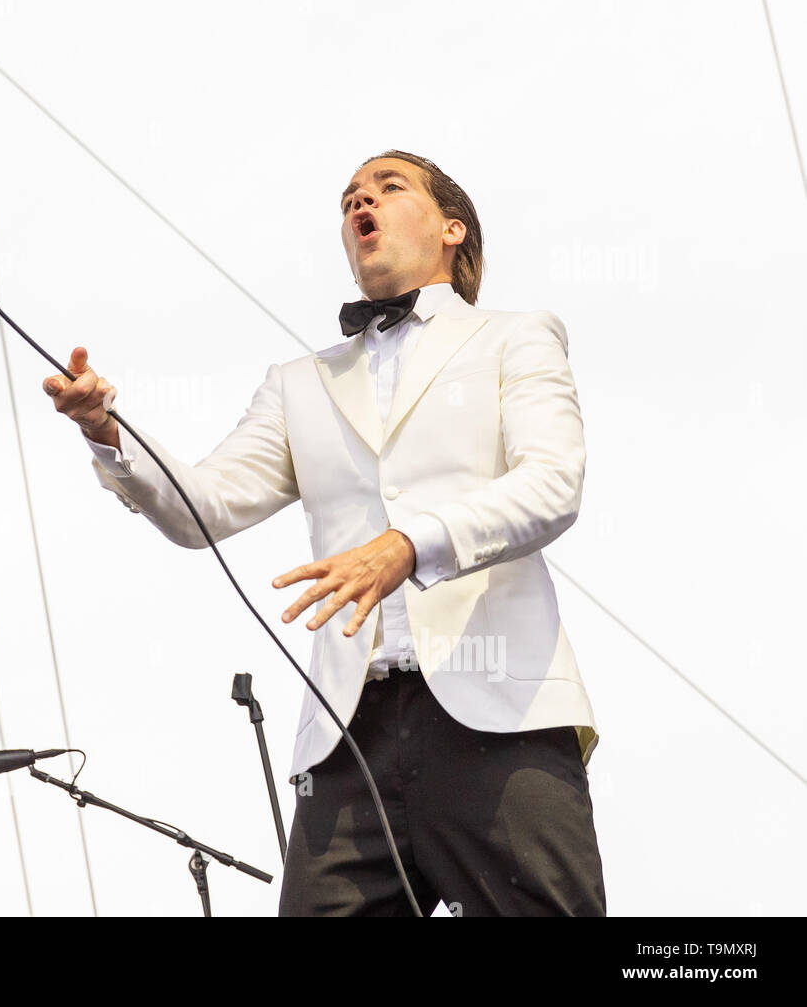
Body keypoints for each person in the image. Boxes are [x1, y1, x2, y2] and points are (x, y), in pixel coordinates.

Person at [41, 149, 606, 917]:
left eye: (386, 187)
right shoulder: (297, 382)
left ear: (452, 228)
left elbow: (552, 485)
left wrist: (410, 543)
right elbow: (201, 507)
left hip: (502, 718)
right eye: (348, 199)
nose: (359, 203)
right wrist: (107, 430)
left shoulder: (516, 337)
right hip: (349, 743)